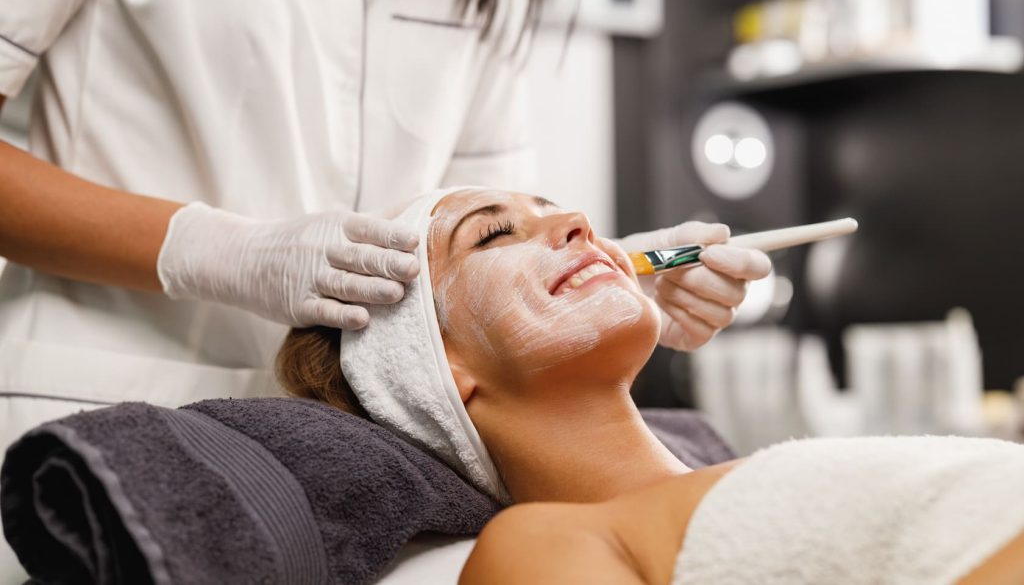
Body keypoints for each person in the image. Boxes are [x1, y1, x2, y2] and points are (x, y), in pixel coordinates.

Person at [0, 0, 769, 456]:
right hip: (107, 423)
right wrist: (210, 250)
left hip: (362, 463)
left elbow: (484, 232)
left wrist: (599, 281)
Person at [277, 187, 1024, 584]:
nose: (577, 220)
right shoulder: (537, 547)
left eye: (553, 206)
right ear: (440, 374)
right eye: (494, 233)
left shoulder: (755, 470)